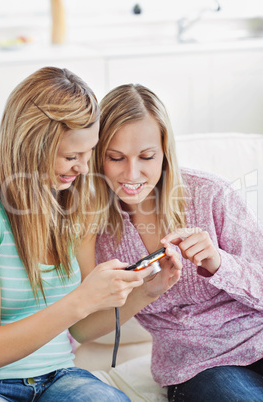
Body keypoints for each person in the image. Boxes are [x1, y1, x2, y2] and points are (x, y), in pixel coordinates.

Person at [0, 67, 180, 402]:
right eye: (71, 156)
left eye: (89, 153)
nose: (83, 168)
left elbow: (81, 329)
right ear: (31, 146)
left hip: (59, 377)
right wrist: (79, 300)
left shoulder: (78, 205)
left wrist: (144, 293)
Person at [88, 83, 263, 401]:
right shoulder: (94, 231)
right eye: (116, 158)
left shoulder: (210, 194)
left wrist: (219, 263)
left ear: (165, 152)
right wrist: (142, 292)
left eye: (146, 156)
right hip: (199, 367)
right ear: (98, 157)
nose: (132, 173)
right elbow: (84, 323)